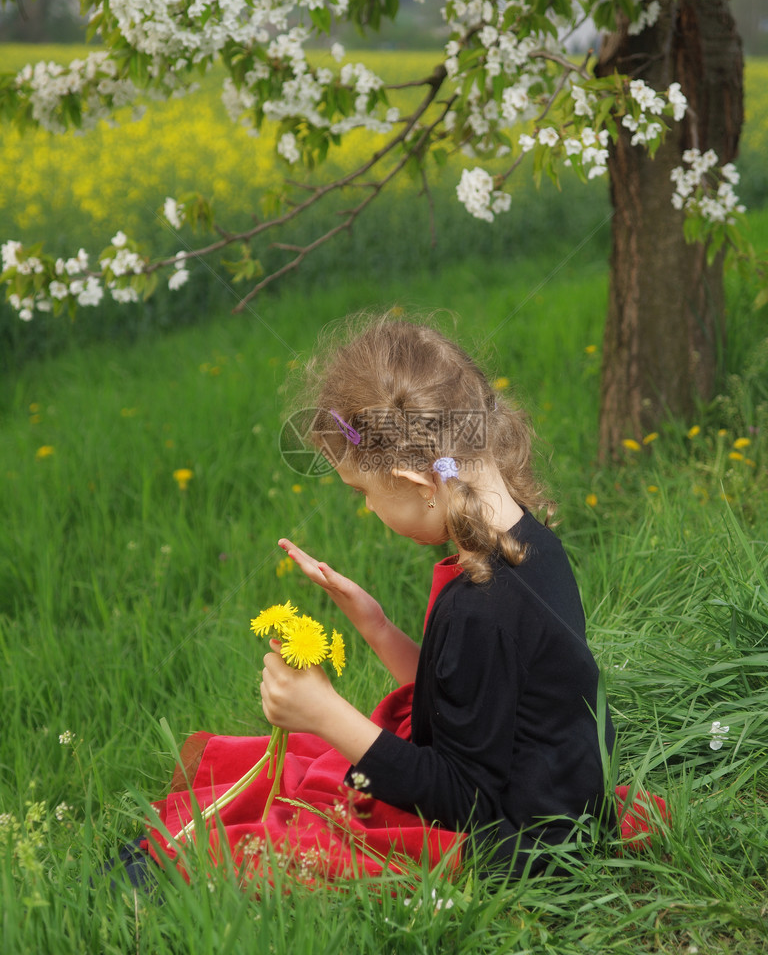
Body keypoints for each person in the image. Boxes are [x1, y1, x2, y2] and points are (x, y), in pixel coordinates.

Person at [140, 315, 617, 886]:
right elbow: (476, 702)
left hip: (526, 847)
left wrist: (326, 715)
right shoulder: (530, 545)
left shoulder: (482, 606)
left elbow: (462, 800)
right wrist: (378, 626)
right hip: (558, 799)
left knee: (295, 832)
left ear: (418, 484)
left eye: (364, 493)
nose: (367, 509)